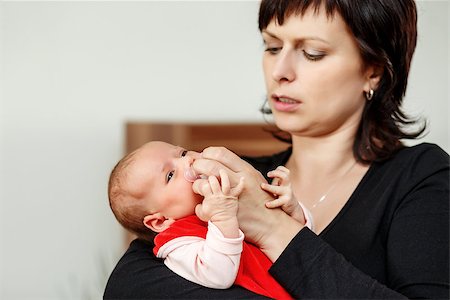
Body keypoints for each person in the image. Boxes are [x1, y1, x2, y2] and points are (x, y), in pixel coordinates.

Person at [104, 0, 449, 299]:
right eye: (271, 47)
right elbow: (128, 286)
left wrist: (271, 228)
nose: (280, 72)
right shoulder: (230, 184)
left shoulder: (421, 177)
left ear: (372, 71)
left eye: (312, 53)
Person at [107, 141, 312, 299]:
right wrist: (222, 218)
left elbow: (300, 245)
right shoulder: (178, 243)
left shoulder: (234, 199)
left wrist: (290, 208)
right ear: (160, 221)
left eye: (183, 153)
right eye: (170, 175)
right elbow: (219, 275)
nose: (188, 161)